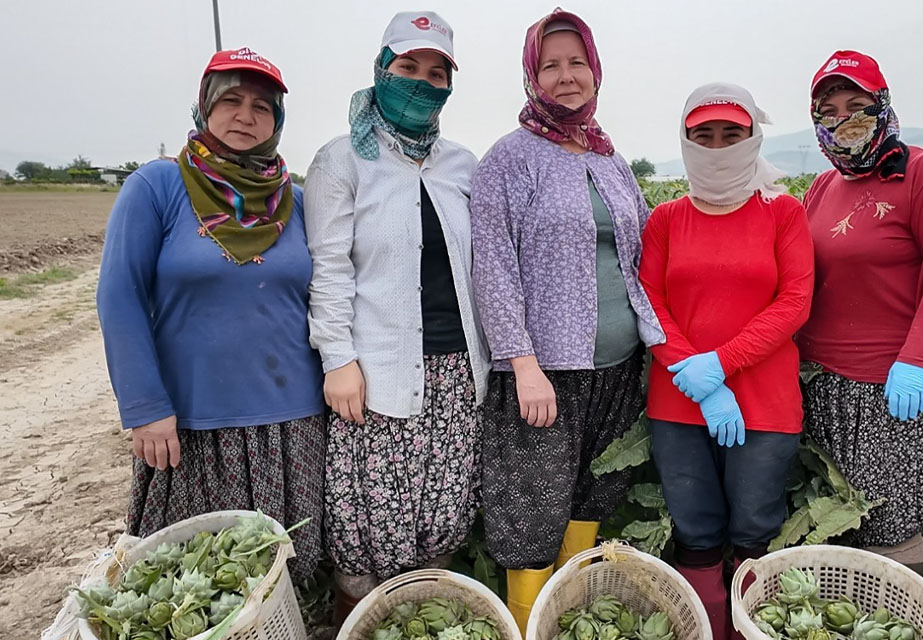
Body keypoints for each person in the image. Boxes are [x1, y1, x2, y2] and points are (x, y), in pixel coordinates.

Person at [469, 8, 664, 632]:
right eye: (550, 65)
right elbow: (493, 266)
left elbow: (638, 257)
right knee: (531, 509)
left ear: (596, 71)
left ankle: (567, 617)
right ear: (532, 77)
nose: (566, 76)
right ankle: (528, 622)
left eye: (576, 62)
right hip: (544, 370)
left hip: (618, 366)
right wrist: (523, 364)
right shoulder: (509, 159)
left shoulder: (609, 158)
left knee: (592, 495)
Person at [97, 48, 325, 578]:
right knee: (195, 584)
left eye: (261, 107)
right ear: (203, 107)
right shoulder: (157, 187)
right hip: (192, 426)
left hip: (293, 428)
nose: (245, 116)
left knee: (288, 578)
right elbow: (119, 297)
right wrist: (144, 406)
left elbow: (333, 294)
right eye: (231, 101)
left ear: (278, 120)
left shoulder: (300, 200)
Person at [304, 11, 491, 622]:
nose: (422, 82)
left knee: (442, 512)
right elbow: (329, 270)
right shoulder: (342, 161)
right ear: (381, 70)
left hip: (458, 373)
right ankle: (362, 624)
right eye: (408, 67)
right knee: (370, 520)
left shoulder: (460, 164)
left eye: (436, 73)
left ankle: (425, 621)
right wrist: (339, 361)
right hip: (376, 372)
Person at [639, 83, 813, 640]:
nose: (717, 145)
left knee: (754, 531)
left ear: (753, 137)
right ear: (686, 140)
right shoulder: (666, 218)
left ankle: (747, 629)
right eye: (704, 135)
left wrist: (721, 364)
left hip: (764, 404)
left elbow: (795, 301)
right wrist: (701, 381)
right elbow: (651, 303)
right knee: (696, 533)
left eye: (731, 134)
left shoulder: (782, 213)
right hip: (680, 403)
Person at [796, 51, 923, 574]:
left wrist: (920, 359)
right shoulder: (824, 186)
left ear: (883, 106)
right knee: (841, 519)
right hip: (825, 384)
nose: (843, 120)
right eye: (829, 111)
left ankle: (906, 617)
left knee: (891, 524)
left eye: (857, 105)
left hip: (898, 386)